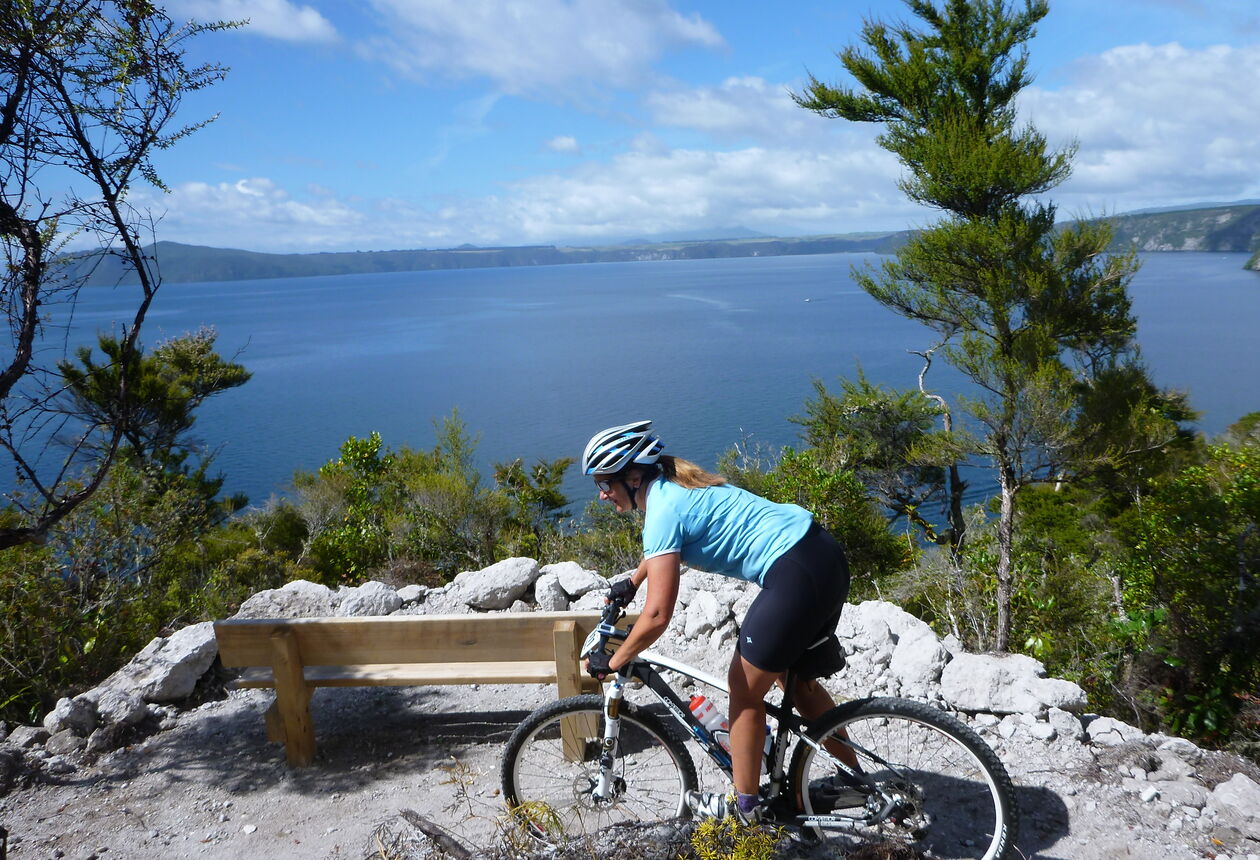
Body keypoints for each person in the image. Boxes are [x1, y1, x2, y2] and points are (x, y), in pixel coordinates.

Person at [580, 419, 852, 824]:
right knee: (796, 682)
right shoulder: (678, 487)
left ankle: (747, 809)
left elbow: (657, 616)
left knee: (743, 689)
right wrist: (633, 581)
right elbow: (666, 550)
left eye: (605, 484)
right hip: (821, 557)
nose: (602, 495)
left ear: (633, 477)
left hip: (795, 575)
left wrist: (615, 661)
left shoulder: (663, 509)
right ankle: (859, 778)